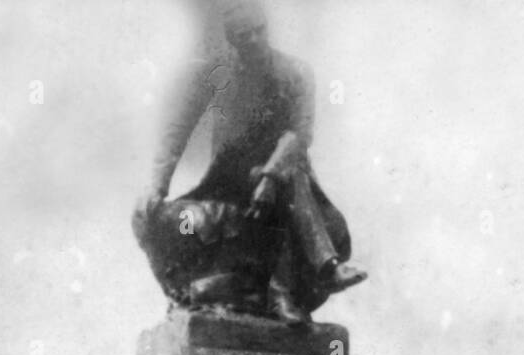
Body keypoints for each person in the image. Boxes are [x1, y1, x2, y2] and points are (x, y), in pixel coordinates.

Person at [134, 0, 366, 325]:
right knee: (153, 217)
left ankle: (316, 272)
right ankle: (277, 287)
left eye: (259, 31)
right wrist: (157, 186)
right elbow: (178, 129)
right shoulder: (217, 74)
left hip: (287, 179)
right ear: (233, 39)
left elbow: (299, 136)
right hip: (229, 184)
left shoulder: (295, 73)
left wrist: (270, 175)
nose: (255, 39)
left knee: (289, 171)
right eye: (245, 35)